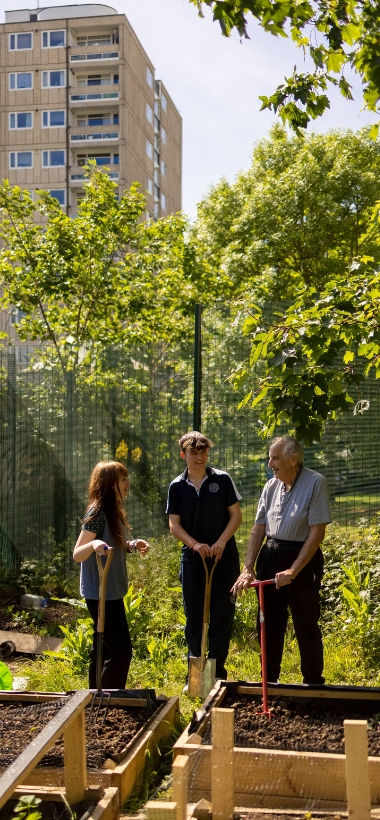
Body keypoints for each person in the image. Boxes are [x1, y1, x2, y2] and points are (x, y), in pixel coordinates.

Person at [232, 436, 332, 685]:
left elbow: (317, 534)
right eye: (270, 457)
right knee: (268, 622)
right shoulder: (271, 486)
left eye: (275, 458)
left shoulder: (315, 483)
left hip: (301, 557)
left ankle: (312, 683)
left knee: (305, 621)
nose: (270, 463)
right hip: (271, 554)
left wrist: (294, 570)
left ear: (293, 459)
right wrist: (247, 569)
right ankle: (269, 681)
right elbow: (257, 530)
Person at [167, 431, 242, 687]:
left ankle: (218, 673)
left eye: (204, 452)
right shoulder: (177, 486)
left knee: (222, 616)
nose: (200, 457)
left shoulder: (221, 480)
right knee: (194, 618)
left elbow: (236, 516)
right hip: (193, 560)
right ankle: (197, 676)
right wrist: (195, 544)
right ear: (183, 455)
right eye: (194, 452)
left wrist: (221, 542)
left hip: (224, 558)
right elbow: (174, 525)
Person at [73, 460, 149, 689]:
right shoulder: (97, 512)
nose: (128, 483)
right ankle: (110, 698)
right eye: (123, 479)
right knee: (121, 651)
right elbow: (78, 553)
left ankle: (94, 695)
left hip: (111, 590)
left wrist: (132, 545)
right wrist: (94, 542)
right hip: (100, 592)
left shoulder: (113, 511)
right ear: (109, 484)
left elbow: (112, 544)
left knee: (103, 647)